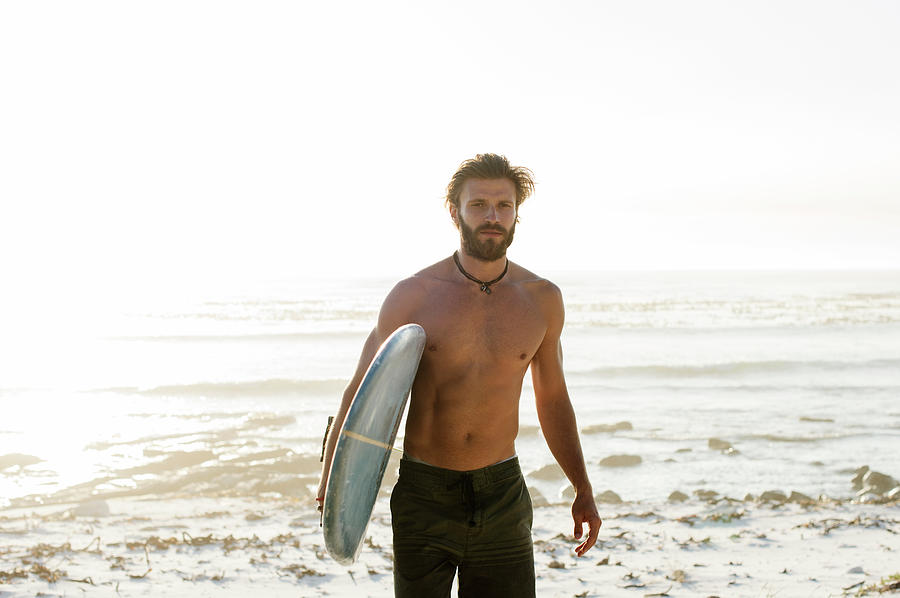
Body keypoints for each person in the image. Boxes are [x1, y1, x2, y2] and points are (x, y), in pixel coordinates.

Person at [317, 153, 601, 597]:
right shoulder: (413, 295)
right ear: (455, 212)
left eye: (504, 206)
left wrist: (581, 486)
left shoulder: (542, 299)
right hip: (425, 493)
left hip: (502, 492)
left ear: (516, 214)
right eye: (479, 205)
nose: (493, 217)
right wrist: (332, 482)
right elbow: (360, 394)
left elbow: (553, 399)